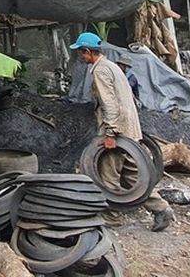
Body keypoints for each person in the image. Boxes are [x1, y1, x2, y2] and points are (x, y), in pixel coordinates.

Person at [71, 31, 174, 232]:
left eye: (80, 53)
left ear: (87, 52)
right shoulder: (112, 66)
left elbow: (109, 104)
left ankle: (112, 216)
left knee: (108, 173)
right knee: (134, 175)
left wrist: (110, 133)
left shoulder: (100, 70)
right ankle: (161, 208)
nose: (80, 57)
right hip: (129, 129)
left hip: (117, 131)